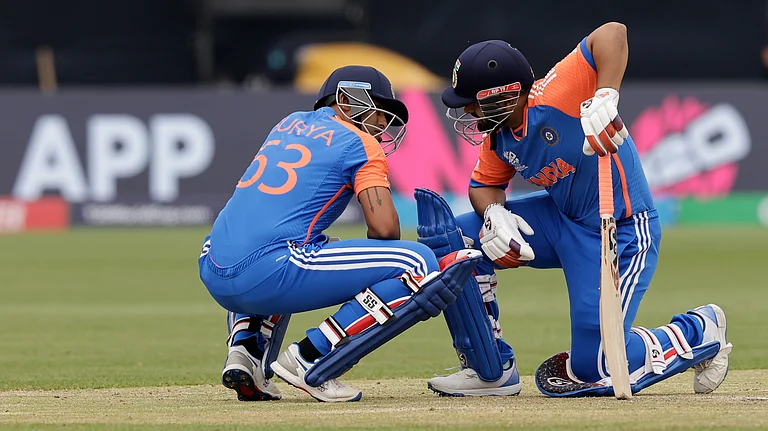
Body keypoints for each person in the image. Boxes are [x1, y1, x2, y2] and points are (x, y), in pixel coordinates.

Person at [416, 22, 732, 397]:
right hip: (562, 223)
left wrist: (605, 95)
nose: (468, 110)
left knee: (594, 366)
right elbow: (483, 185)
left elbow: (612, 33)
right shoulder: (498, 138)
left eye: (473, 101)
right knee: (458, 239)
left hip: (622, 231)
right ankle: (491, 369)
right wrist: (494, 215)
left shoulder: (559, 92)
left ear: (504, 93)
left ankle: (699, 329)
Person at [197, 65, 481, 403]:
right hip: (267, 269)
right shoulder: (360, 142)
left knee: (305, 245)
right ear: (347, 99)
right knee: (417, 261)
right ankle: (311, 356)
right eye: (379, 110)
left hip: (212, 263)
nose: (382, 124)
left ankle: (246, 350)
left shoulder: (289, 123)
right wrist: (378, 284)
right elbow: (385, 229)